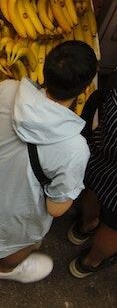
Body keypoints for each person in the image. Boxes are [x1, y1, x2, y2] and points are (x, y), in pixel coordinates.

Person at [0, 40, 98, 283]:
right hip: (14, 214)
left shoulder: (6, 89)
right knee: (22, 242)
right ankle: (1, 269)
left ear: (44, 66)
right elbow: (55, 209)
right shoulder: (75, 149)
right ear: (85, 88)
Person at [67, 71, 117, 278]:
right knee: (114, 226)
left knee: (95, 186)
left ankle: (84, 226)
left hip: (103, 155)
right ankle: (89, 262)